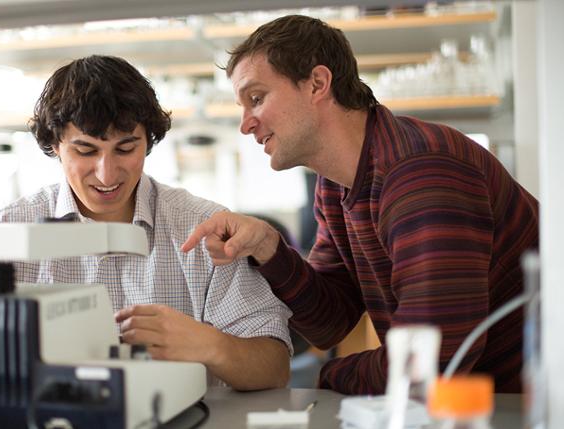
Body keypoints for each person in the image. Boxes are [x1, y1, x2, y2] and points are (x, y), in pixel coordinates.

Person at [182, 15, 538, 395]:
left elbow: (429, 363)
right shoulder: (336, 186)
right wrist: (270, 248)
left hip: (529, 405)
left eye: (256, 98)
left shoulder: (420, 172)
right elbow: (330, 322)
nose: (245, 124)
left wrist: (327, 377)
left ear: (317, 83)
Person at [0, 55, 292, 391]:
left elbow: (274, 367)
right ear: (54, 144)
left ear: (149, 142)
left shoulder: (203, 228)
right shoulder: (6, 234)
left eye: (126, 148)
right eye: (86, 150)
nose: (107, 174)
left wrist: (210, 345)